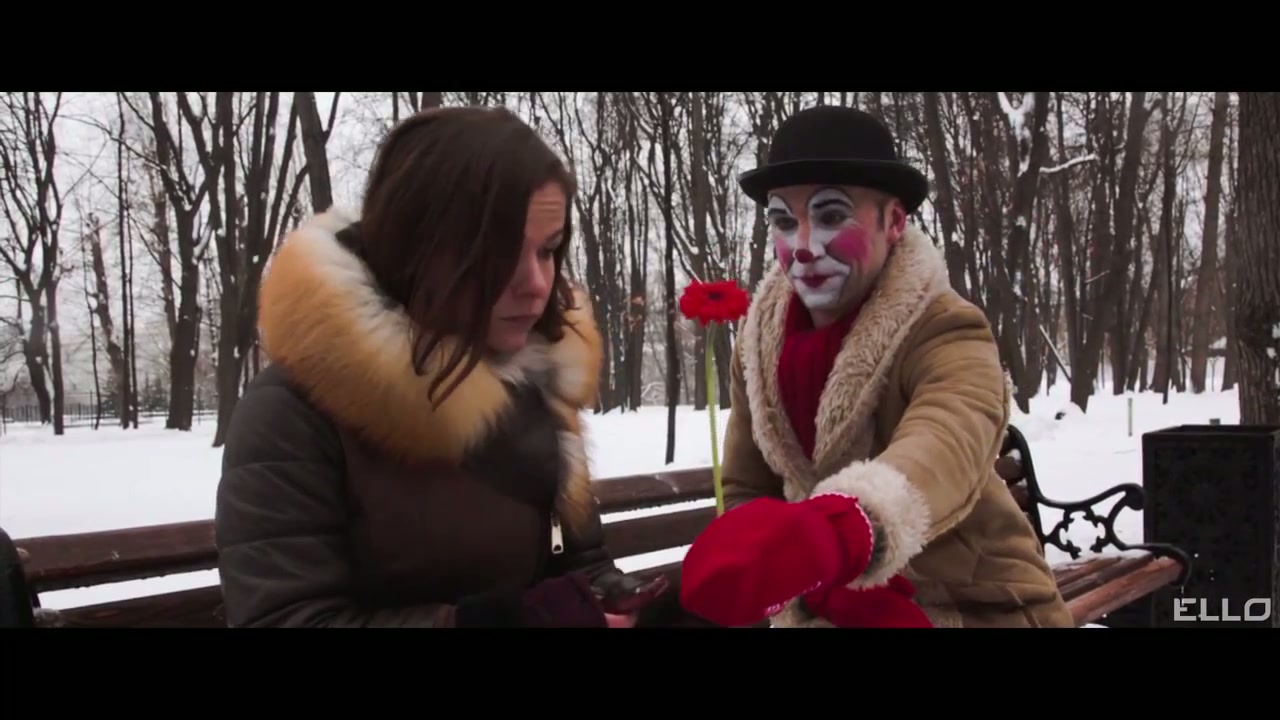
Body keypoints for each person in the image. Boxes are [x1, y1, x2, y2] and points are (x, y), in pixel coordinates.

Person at [214, 106, 672, 628]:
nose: (536, 284)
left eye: (547, 251)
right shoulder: (292, 414)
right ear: (417, 249)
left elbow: (580, 563)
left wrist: (628, 599)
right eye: (499, 254)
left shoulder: (536, 382)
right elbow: (284, 618)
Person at [678, 105, 1073, 628]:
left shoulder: (946, 328)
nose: (802, 247)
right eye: (784, 221)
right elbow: (748, 487)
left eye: (830, 216)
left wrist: (849, 526)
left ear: (894, 222)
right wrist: (757, 564)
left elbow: (947, 437)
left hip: (975, 605)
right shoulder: (757, 347)